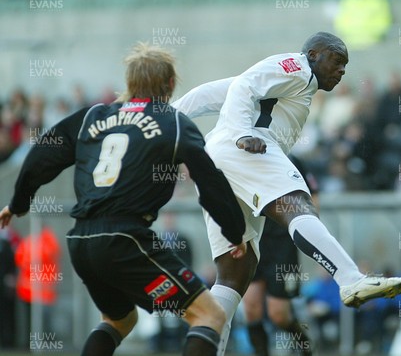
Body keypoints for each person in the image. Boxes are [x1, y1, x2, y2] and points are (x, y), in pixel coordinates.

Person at [173, 31, 401, 355]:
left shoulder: (293, 84)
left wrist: (166, 118)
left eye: (346, 65)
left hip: (217, 159)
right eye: (337, 60)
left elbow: (215, 92)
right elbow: (243, 87)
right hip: (244, 148)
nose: (342, 71)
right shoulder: (297, 67)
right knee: (298, 205)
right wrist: (243, 132)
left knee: (234, 272)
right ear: (313, 54)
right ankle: (350, 278)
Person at [0, 43, 247, 356]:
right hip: (126, 239)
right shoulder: (171, 122)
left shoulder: (93, 115)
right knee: (210, 315)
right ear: (170, 84)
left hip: (81, 241)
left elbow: (41, 155)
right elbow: (209, 180)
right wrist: (234, 231)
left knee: (119, 320)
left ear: (129, 85)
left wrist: (18, 203)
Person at [242, 155, 317, 356]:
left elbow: (312, 196)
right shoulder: (240, 159)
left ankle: (307, 348)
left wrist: (308, 228)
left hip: (283, 244)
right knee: (251, 308)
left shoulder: (291, 159)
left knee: (279, 314)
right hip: (253, 239)